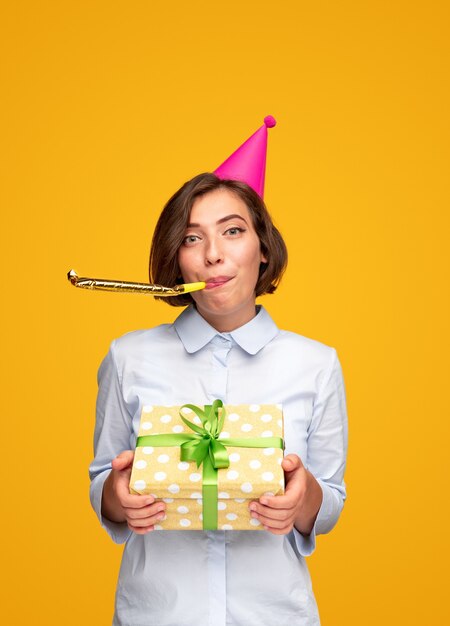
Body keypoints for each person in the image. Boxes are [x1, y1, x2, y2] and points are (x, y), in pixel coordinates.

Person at [89, 118, 348, 626]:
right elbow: (103, 482)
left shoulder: (316, 364)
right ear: (176, 260)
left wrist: (301, 498)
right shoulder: (127, 358)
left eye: (233, 231)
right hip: (155, 614)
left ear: (263, 249)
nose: (213, 254)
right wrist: (117, 498)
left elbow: (330, 501)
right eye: (192, 238)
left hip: (275, 615)